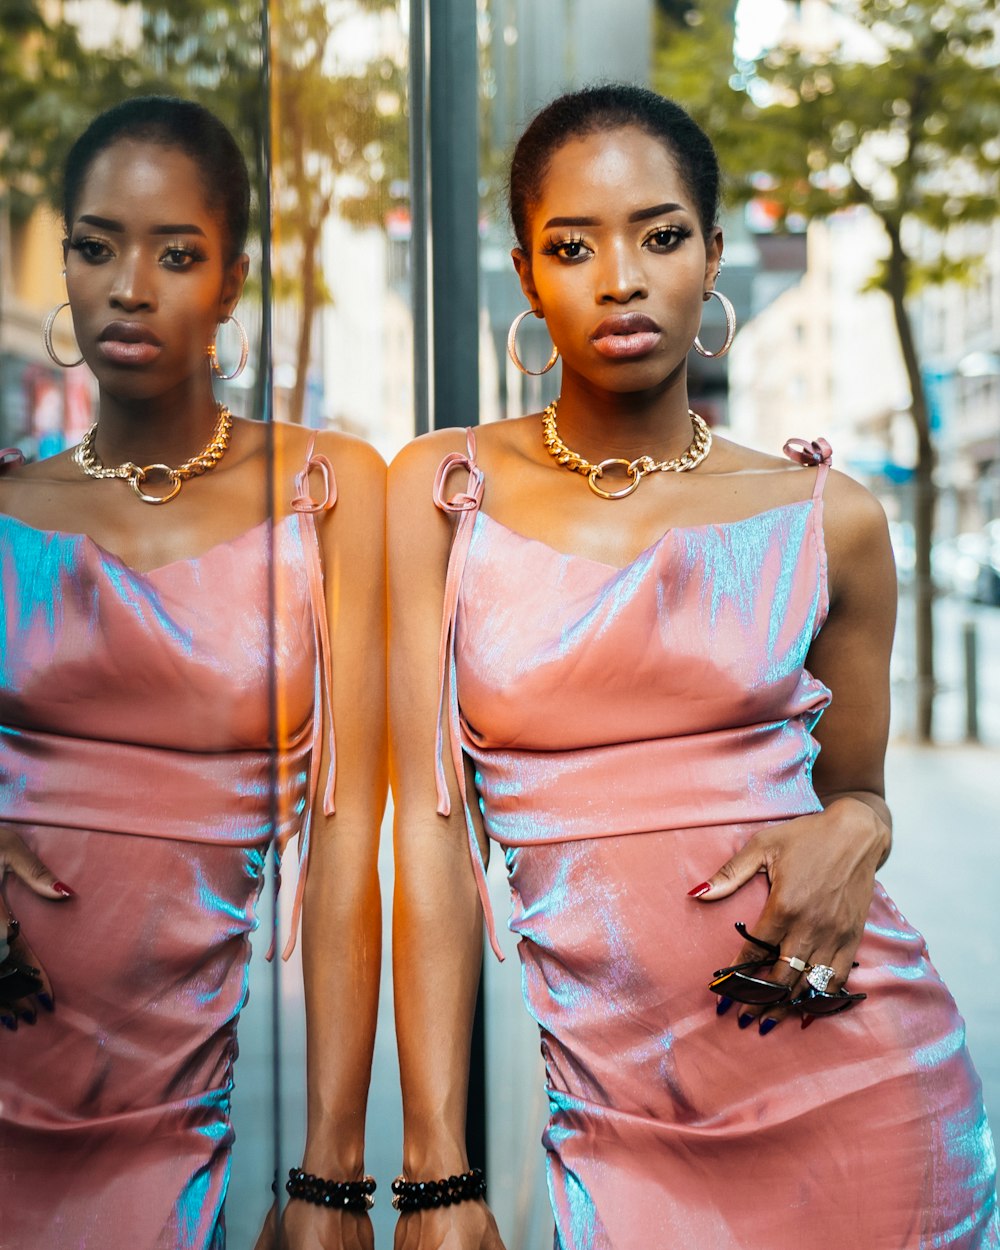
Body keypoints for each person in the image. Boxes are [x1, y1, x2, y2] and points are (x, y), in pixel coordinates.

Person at [388, 84, 999, 1249]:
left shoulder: (830, 518)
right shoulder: (438, 492)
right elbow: (428, 826)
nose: (620, 277)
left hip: (864, 1083)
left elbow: (854, 796)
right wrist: (434, 1171)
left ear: (712, 253)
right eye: (573, 246)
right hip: (616, 1116)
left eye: (660, 235)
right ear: (525, 273)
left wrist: (860, 825)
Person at [0, 97, 386, 1250]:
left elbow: (352, 833)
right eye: (96, 243)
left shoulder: (330, 491)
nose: (129, 285)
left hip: (181, 1091)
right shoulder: (9, 507)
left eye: (176, 254)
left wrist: (332, 1171)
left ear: (230, 282)